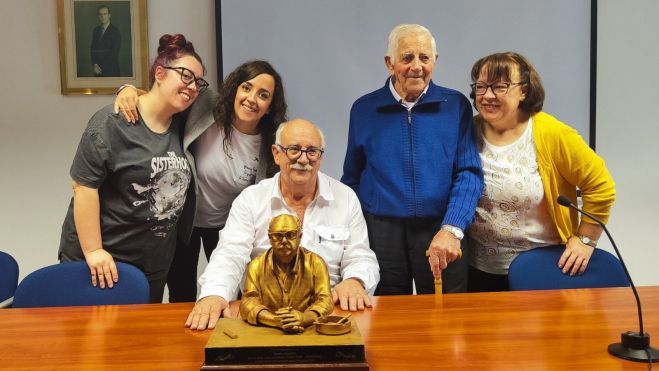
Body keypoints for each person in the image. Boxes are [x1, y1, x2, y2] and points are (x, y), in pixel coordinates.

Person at [114, 60, 287, 302]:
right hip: (184, 219)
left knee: (234, 294)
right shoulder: (207, 105)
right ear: (236, 88)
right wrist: (127, 89)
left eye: (263, 95)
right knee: (182, 293)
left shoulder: (272, 146)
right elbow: (164, 96)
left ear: (269, 106)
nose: (251, 98)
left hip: (228, 226)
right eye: (246, 87)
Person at [186, 118, 380, 331]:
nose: (303, 159)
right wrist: (214, 294)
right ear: (276, 153)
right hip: (267, 318)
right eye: (294, 149)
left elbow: (360, 255)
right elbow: (229, 254)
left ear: (321, 157)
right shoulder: (251, 199)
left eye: (312, 151)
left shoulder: (345, 197)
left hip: (329, 314)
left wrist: (355, 280)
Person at [59, 34, 206, 303]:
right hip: (102, 261)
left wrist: (131, 87)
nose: (193, 86)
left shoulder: (185, 126)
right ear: (159, 73)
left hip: (152, 266)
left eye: (198, 82)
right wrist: (93, 251)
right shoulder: (112, 122)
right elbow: (83, 187)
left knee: (137, 342)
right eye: (186, 75)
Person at [341, 24, 483, 295]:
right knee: (388, 323)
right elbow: (352, 179)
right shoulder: (363, 109)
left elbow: (468, 173)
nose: (417, 66)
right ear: (389, 63)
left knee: (448, 318)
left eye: (424, 58)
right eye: (407, 58)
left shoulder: (456, 106)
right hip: (382, 232)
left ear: (435, 61)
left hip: (441, 228)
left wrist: (452, 228)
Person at [466, 52, 616, 292]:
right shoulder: (468, 131)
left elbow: (600, 185)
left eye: (500, 86)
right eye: (481, 87)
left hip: (542, 271)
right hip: (477, 269)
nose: (488, 96)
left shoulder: (552, 134)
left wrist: (586, 240)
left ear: (523, 91)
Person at [240, 214, 333, 333]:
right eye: (277, 236)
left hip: (307, 331)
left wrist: (305, 317)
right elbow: (247, 302)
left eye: (290, 235)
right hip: (267, 332)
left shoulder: (316, 263)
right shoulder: (256, 266)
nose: (284, 241)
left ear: (300, 236)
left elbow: (326, 299)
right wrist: (274, 320)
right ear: (269, 238)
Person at [91, 5, 121, 77]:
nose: (103, 17)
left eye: (105, 14)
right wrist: (95, 64)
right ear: (98, 16)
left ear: (109, 15)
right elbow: (93, 49)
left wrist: (100, 67)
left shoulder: (115, 31)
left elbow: (114, 53)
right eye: (100, 14)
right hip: (97, 71)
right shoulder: (96, 30)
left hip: (111, 70)